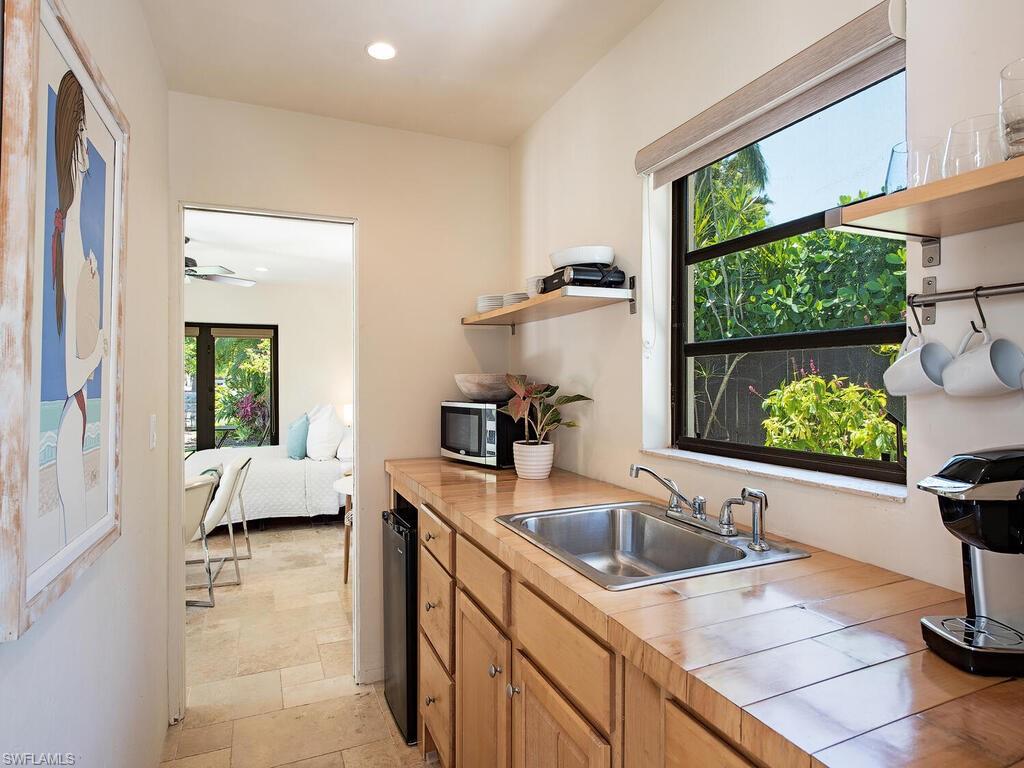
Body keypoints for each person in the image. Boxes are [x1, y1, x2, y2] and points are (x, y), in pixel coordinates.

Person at [52, 70, 106, 546]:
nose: (88, 151)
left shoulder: (77, 231)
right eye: (83, 135)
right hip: (73, 420)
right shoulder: (71, 232)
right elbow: (72, 374)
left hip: (78, 419)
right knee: (74, 532)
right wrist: (101, 350)